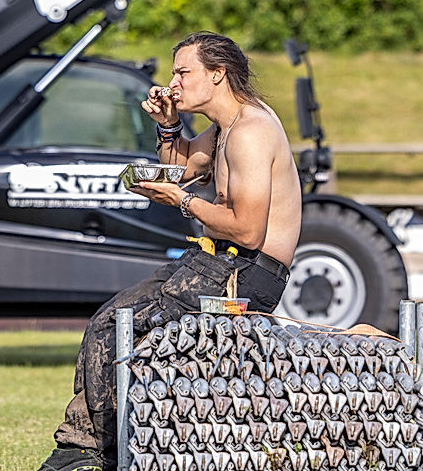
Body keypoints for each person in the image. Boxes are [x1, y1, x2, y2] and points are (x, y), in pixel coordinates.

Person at [37, 31, 304, 471]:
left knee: (118, 329)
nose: (172, 83)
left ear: (217, 74)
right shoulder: (226, 125)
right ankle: (88, 448)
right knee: (109, 321)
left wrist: (179, 201)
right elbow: (180, 168)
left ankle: (93, 452)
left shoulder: (251, 132)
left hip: (247, 272)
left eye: (183, 72)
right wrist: (167, 126)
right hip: (218, 262)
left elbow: (249, 230)